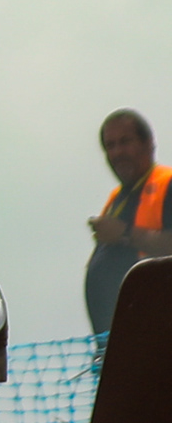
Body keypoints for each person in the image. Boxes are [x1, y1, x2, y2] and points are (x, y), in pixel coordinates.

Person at [86, 111, 172, 333]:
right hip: (118, 339)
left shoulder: (167, 184)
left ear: (148, 144)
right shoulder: (117, 199)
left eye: (125, 142)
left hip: (158, 330)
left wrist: (124, 234)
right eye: (110, 146)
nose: (117, 152)